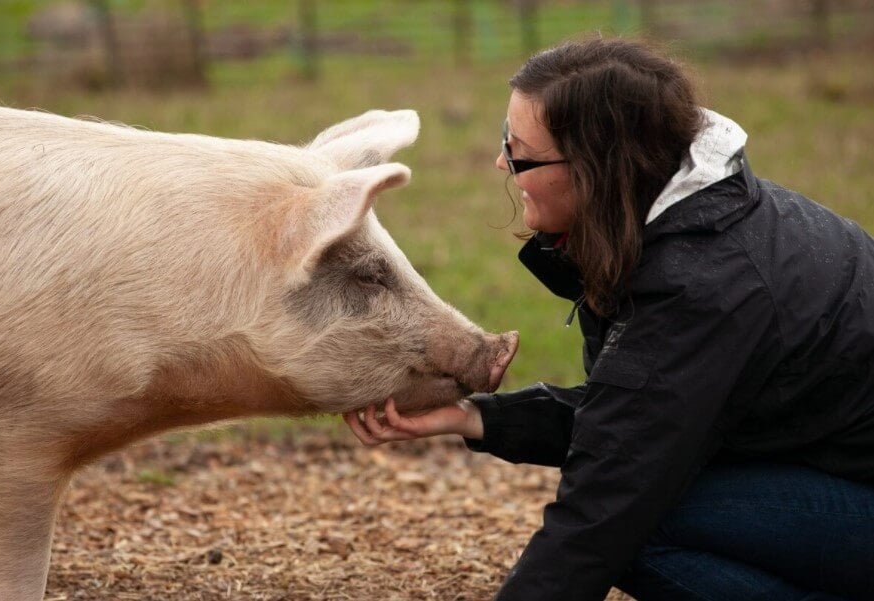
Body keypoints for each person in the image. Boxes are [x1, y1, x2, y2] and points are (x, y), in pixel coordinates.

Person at [343, 37, 874, 601]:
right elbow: (647, 415)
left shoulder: (702, 283)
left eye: (521, 151)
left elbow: (613, 494)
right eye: (506, 140)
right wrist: (472, 419)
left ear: (596, 169)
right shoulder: (692, 219)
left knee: (640, 526)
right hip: (835, 471)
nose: (503, 162)